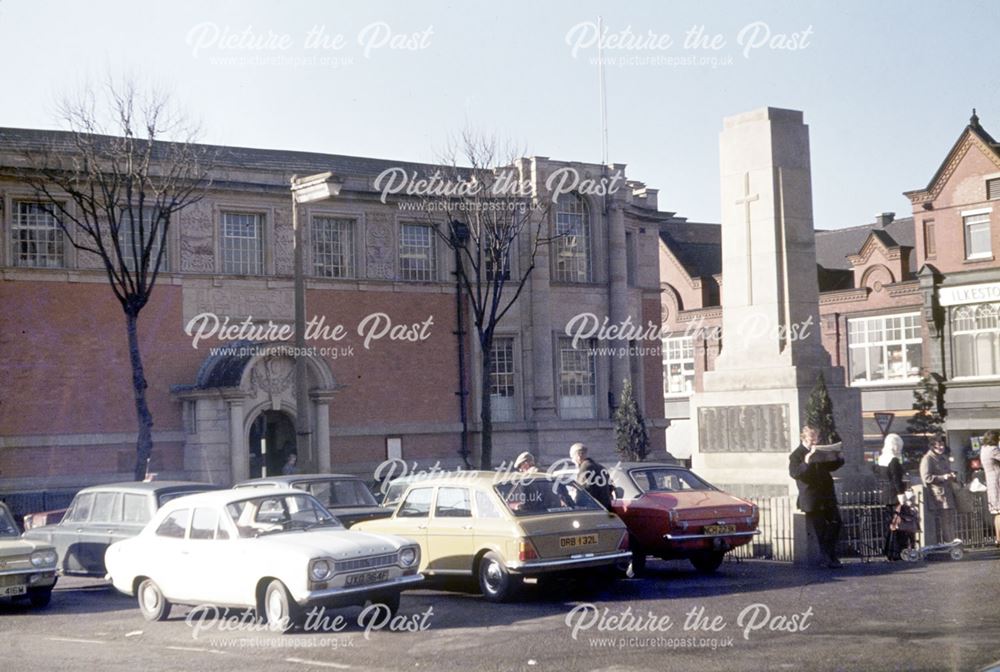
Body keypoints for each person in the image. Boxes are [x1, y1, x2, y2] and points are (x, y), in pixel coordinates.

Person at [788, 425, 844, 568]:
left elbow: (830, 467)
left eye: (817, 437)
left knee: (836, 523)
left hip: (827, 495)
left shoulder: (819, 450)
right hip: (812, 497)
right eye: (812, 437)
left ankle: (830, 555)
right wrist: (806, 461)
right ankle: (828, 558)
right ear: (804, 437)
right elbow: (795, 473)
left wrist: (838, 458)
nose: (815, 440)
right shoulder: (796, 454)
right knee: (821, 529)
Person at [919, 435, 958, 544]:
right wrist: (943, 477)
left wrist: (952, 475)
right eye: (938, 446)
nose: (941, 447)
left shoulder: (944, 457)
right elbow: (926, 477)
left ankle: (952, 543)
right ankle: (948, 543)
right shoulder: (927, 459)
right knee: (944, 520)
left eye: (942, 445)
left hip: (948, 492)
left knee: (950, 519)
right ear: (932, 447)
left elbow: (947, 471)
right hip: (937, 495)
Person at [876, 433, 907, 560]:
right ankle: (897, 551)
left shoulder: (881, 459)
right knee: (898, 524)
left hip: (885, 493)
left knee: (890, 524)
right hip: (894, 494)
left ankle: (889, 550)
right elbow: (896, 479)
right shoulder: (894, 460)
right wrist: (901, 494)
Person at [569, 442, 613, 510]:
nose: (572, 461)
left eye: (572, 458)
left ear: (578, 456)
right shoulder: (601, 467)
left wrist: (577, 507)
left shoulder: (584, 469)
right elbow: (611, 487)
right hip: (606, 508)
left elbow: (582, 491)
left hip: (593, 509)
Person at [979, 430, 1000, 546]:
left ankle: (998, 538)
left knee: (997, 512)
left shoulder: (984, 449)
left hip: (991, 482)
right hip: (998, 482)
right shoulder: (993, 450)